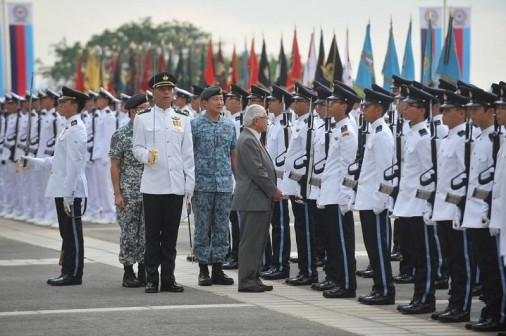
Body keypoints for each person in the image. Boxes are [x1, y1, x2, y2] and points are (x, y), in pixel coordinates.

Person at [133, 72, 195, 294]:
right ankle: (151, 278)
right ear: (154, 92)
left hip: (175, 185)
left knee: (170, 236)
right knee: (152, 236)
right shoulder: (143, 118)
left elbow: (188, 155)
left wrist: (190, 185)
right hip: (152, 185)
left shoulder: (183, 119)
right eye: (162, 89)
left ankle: (168, 277)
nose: (167, 92)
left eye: (170, 89)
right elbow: (136, 148)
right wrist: (145, 155)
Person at [22, 86, 89, 286]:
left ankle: (74, 273)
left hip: (71, 189)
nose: (59, 105)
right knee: (66, 233)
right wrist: (34, 161)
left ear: (74, 105)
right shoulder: (68, 126)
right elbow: (58, 160)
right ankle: (67, 269)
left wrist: (69, 194)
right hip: (62, 187)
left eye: (63, 102)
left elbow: (74, 164)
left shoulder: (77, 128)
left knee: (73, 233)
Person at [429, 91, 474, 323]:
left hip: (455, 210)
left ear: (462, 113)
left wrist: (460, 210)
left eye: (448, 109)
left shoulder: (466, 139)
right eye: (443, 109)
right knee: (451, 259)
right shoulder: (448, 137)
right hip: (443, 209)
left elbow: (466, 179)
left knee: (460, 260)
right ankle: (453, 303)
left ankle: (462, 306)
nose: (443, 113)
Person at [232, 104, 282, 292]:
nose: (267, 122)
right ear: (256, 121)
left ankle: (254, 276)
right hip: (254, 198)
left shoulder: (253, 138)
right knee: (251, 241)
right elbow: (257, 172)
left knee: (258, 241)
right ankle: (246, 280)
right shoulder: (248, 140)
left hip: (259, 199)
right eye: (265, 118)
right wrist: (273, 190)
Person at [354, 88, 396, 305]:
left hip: (375, 202)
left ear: (379, 109)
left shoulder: (382, 135)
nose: (363, 111)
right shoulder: (374, 132)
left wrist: (381, 202)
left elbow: (385, 173)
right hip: (368, 200)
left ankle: (385, 290)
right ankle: (379, 287)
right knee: (372, 247)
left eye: (367, 107)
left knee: (378, 247)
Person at [191, 86, 236, 287]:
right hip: (202, 184)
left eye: (221, 99)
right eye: (215, 99)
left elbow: (233, 153)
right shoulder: (195, 125)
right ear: (204, 103)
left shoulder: (229, 125)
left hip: (224, 184)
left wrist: (237, 179)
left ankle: (218, 268)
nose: (220, 102)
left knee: (221, 227)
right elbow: (188, 155)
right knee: (202, 227)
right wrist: (189, 184)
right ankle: (203, 269)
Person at [109, 93, 150, 288]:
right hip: (129, 192)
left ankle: (144, 270)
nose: (148, 111)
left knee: (147, 233)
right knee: (129, 232)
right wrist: (118, 193)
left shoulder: (153, 133)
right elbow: (115, 166)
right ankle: (128, 271)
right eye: (143, 108)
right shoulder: (121, 135)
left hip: (150, 190)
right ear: (133, 112)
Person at [261, 85, 293, 280]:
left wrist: (279, 184)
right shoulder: (273, 125)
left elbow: (286, 158)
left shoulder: (285, 126)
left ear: (282, 103)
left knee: (280, 226)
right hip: (272, 183)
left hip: (280, 184)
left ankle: (281, 264)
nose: (268, 104)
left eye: (272, 101)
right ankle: (274, 262)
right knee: (274, 224)